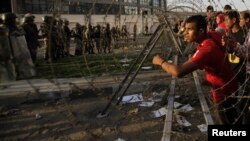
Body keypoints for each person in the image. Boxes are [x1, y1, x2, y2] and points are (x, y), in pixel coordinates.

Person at [152, 15, 239, 124]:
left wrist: (160, 61)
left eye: (190, 30)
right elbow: (218, 59)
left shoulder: (207, 49)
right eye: (185, 29)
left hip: (223, 94)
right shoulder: (212, 35)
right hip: (229, 85)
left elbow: (178, 72)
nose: (185, 33)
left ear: (201, 31)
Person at [222, 11, 250, 124]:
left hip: (242, 72)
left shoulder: (244, 34)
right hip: (232, 72)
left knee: (243, 105)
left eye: (226, 19)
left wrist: (234, 45)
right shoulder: (228, 34)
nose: (224, 22)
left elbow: (246, 53)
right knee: (236, 103)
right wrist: (228, 47)